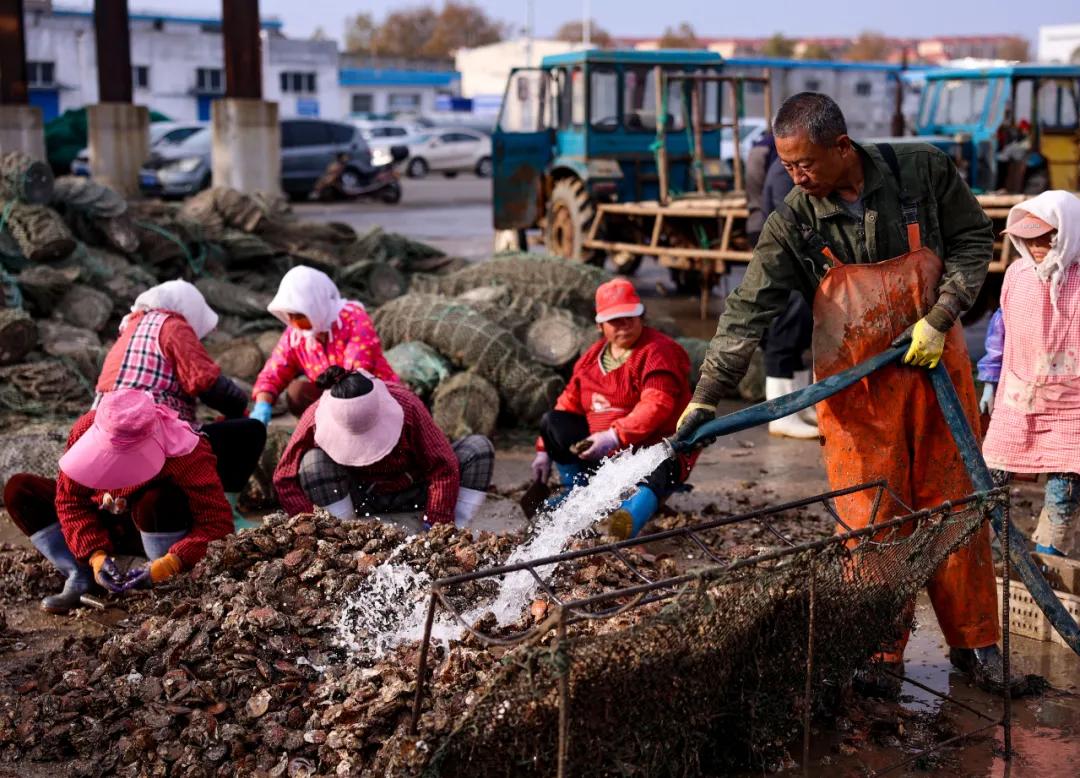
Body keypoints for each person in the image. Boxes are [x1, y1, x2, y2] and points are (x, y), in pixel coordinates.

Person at [674, 92, 1010, 691]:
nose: (795, 178)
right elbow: (748, 309)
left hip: (937, 368)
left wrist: (941, 316)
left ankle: (976, 644)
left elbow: (972, 241)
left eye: (804, 164)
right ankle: (877, 651)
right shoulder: (793, 221)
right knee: (870, 517)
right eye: (786, 167)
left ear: (842, 146)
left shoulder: (922, 171)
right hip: (857, 393)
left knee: (955, 505)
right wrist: (707, 394)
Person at [3, 390, 233, 613]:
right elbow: (70, 500)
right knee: (20, 489)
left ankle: (155, 579)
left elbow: (217, 524)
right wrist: (94, 555)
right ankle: (80, 573)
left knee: (157, 499)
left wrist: (172, 562)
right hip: (102, 519)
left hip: (152, 532)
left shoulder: (185, 449)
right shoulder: (85, 427)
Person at [531, 278, 695, 539]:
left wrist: (614, 435)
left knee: (659, 465)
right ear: (600, 325)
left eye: (631, 317)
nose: (625, 325)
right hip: (603, 453)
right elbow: (567, 403)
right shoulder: (590, 360)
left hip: (653, 448)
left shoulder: (658, 352)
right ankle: (577, 490)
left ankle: (631, 514)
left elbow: (657, 404)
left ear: (641, 316)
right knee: (552, 420)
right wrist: (543, 450)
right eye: (615, 320)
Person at [94, 279, 266, 528]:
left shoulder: (130, 330)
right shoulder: (171, 326)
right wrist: (239, 411)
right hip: (152, 439)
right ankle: (224, 515)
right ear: (188, 308)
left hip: (108, 446)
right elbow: (208, 385)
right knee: (249, 432)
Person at [978, 191, 1080, 557]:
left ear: (1067, 232)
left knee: (1064, 492)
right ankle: (1001, 557)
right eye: (1029, 237)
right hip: (1017, 398)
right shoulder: (1016, 276)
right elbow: (1000, 332)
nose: (1037, 246)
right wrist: (989, 380)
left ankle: (1048, 563)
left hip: (1072, 409)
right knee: (990, 482)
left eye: (1046, 237)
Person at [273, 367, 494, 532]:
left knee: (479, 448)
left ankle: (456, 531)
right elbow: (284, 476)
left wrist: (437, 527)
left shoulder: (407, 405)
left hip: (416, 490)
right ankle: (344, 534)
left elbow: (443, 465)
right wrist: (310, 527)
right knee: (312, 462)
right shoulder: (315, 416)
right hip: (359, 496)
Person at [251, 266, 397, 423]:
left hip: (372, 396)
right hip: (332, 400)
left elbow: (356, 373)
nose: (294, 323)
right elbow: (275, 370)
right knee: (297, 393)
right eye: (289, 317)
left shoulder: (353, 319)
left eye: (300, 316)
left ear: (315, 307)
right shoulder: (296, 335)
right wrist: (262, 404)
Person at [760, 155, 818, 439]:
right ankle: (780, 414)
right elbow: (794, 221)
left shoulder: (785, 170)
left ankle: (798, 407)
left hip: (799, 267)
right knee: (783, 334)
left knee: (797, 335)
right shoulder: (785, 175)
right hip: (787, 264)